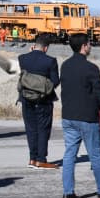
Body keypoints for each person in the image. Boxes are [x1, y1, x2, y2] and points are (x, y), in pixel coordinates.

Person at [59, 34, 100, 198]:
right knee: (95, 155)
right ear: (83, 46)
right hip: (87, 117)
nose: (90, 46)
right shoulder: (91, 68)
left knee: (69, 155)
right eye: (89, 44)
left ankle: (68, 192)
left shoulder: (65, 65)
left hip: (68, 115)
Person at [18, 33, 60, 169]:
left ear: (34, 45)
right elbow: (55, 81)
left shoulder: (22, 58)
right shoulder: (50, 61)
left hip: (26, 98)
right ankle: (41, 159)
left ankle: (32, 158)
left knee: (31, 129)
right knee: (43, 129)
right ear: (46, 48)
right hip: (43, 100)